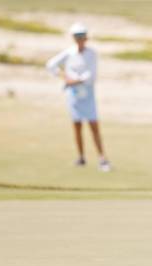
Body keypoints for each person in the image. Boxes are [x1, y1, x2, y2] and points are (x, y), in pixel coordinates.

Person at [46, 23, 111, 172]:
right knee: (77, 126)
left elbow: (91, 75)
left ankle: (102, 159)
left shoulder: (91, 53)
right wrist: (65, 78)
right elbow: (51, 65)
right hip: (73, 94)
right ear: (74, 38)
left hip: (87, 94)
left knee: (93, 125)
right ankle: (81, 157)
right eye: (77, 37)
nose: (80, 39)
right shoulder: (69, 52)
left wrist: (76, 80)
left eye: (82, 36)